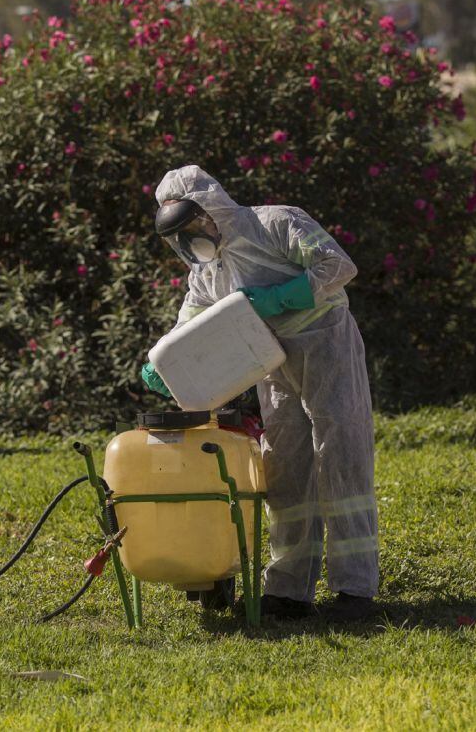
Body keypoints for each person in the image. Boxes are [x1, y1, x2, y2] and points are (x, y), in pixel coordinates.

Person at [140, 165, 379, 622]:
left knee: (340, 454)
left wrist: (283, 296)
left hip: (325, 343)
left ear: (212, 209)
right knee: (284, 468)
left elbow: (338, 265)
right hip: (268, 358)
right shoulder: (207, 270)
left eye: (193, 227)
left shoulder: (278, 222)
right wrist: (160, 362)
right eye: (179, 237)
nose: (191, 241)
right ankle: (289, 590)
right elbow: (190, 319)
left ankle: (354, 588)